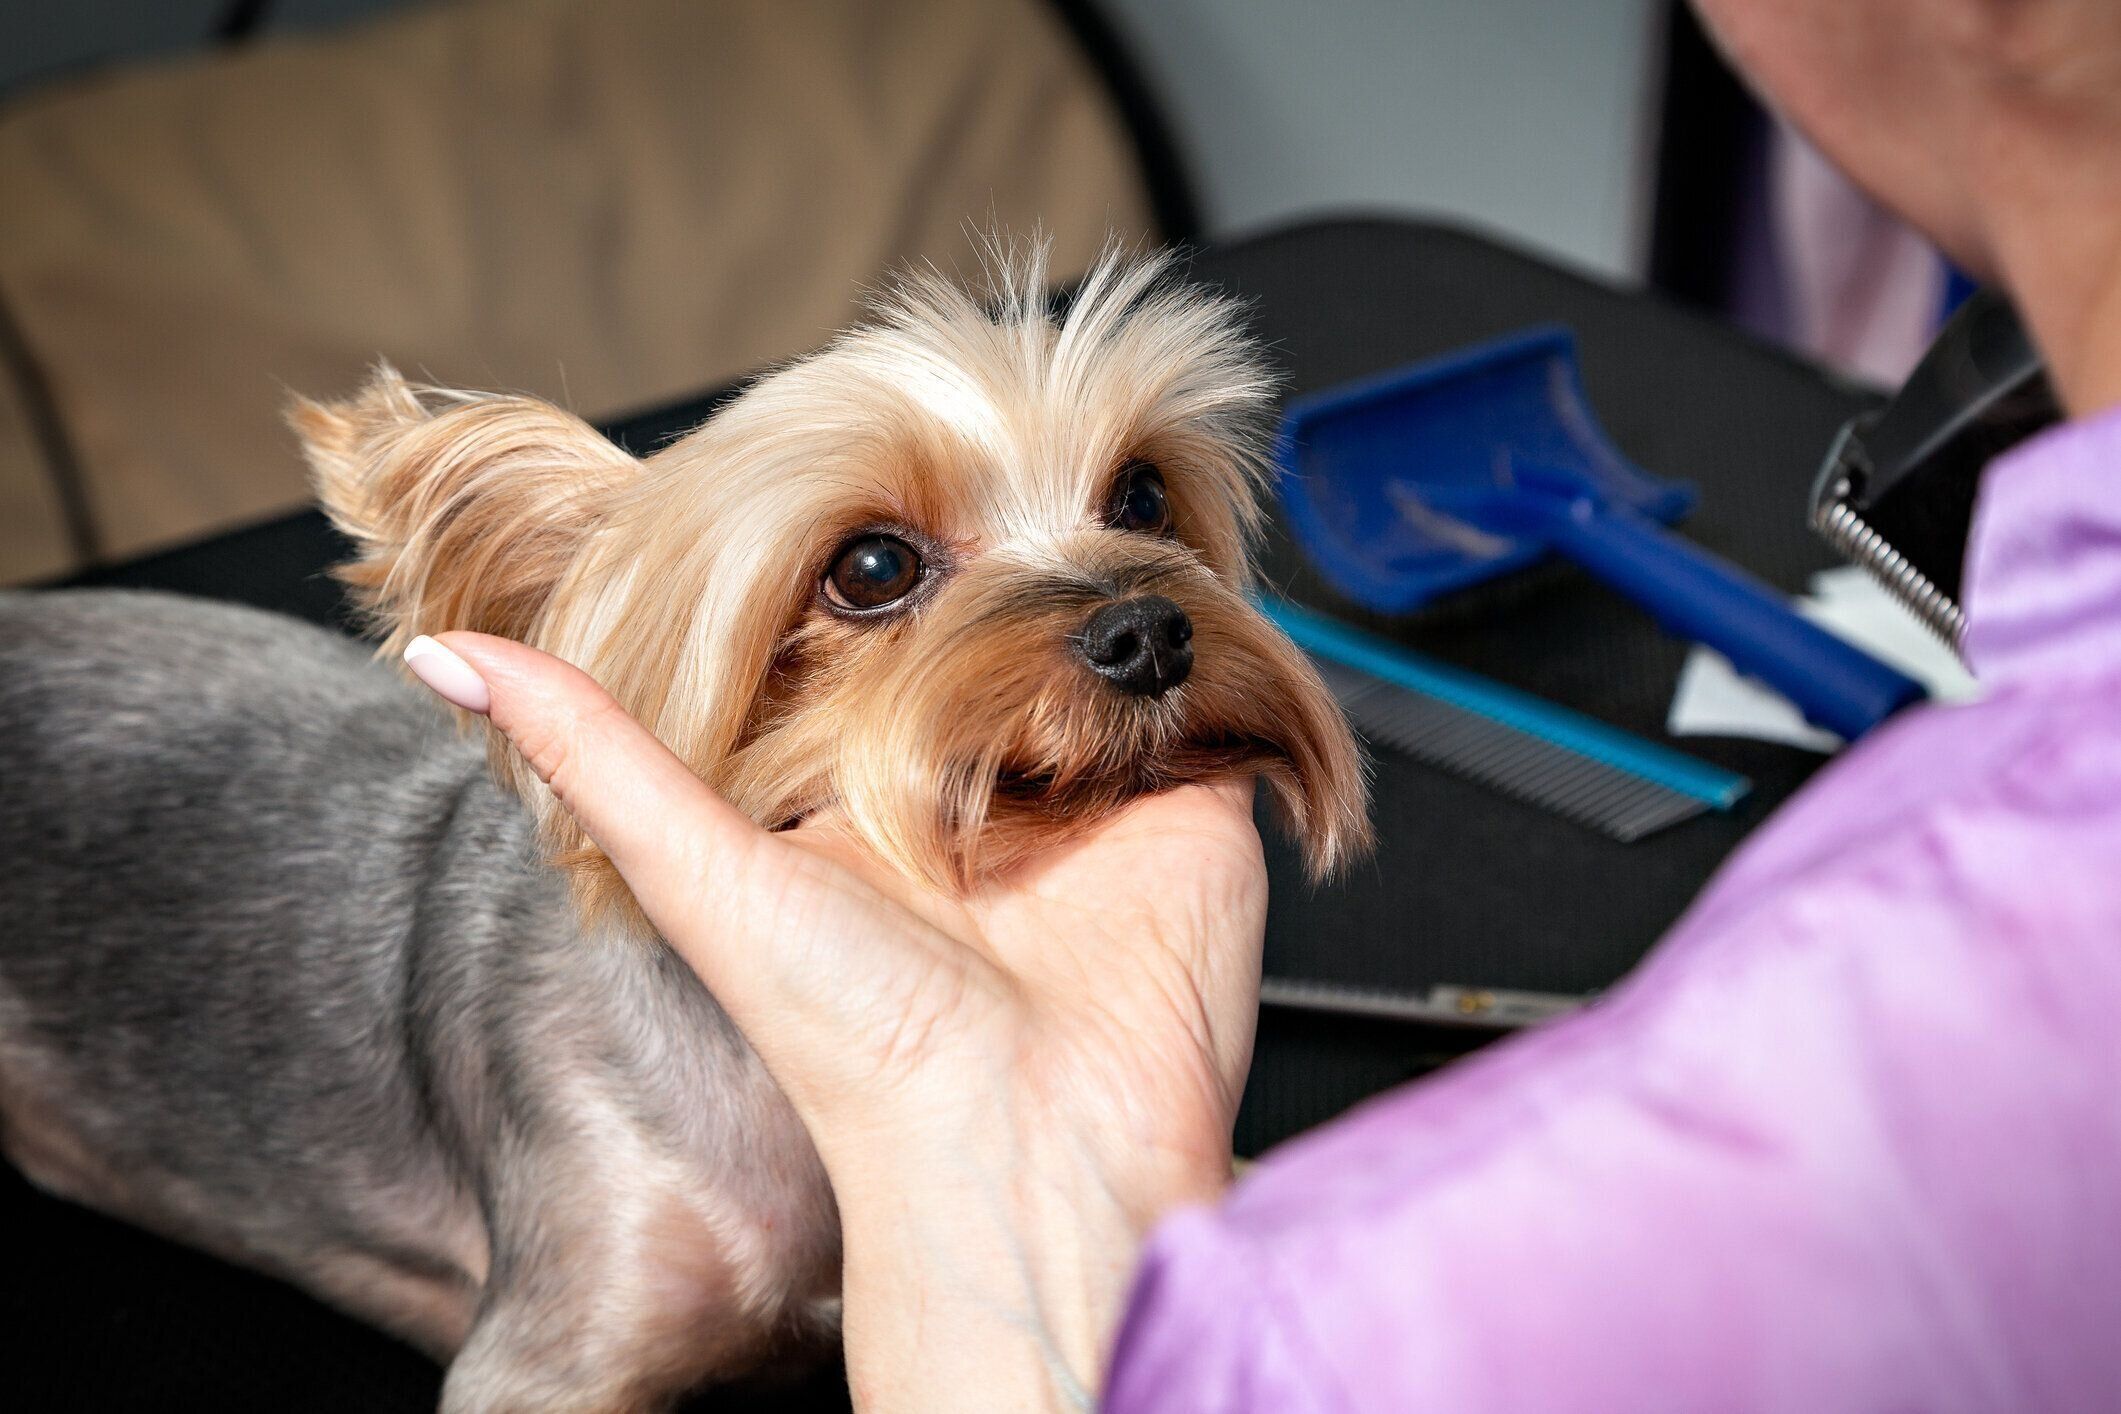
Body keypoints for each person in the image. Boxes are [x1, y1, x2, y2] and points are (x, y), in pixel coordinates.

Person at [397, 0, 2121, 1406]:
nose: (1130, 615)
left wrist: (1012, 1147)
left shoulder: (1355, 1331)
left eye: (1141, 502)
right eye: (874, 575)